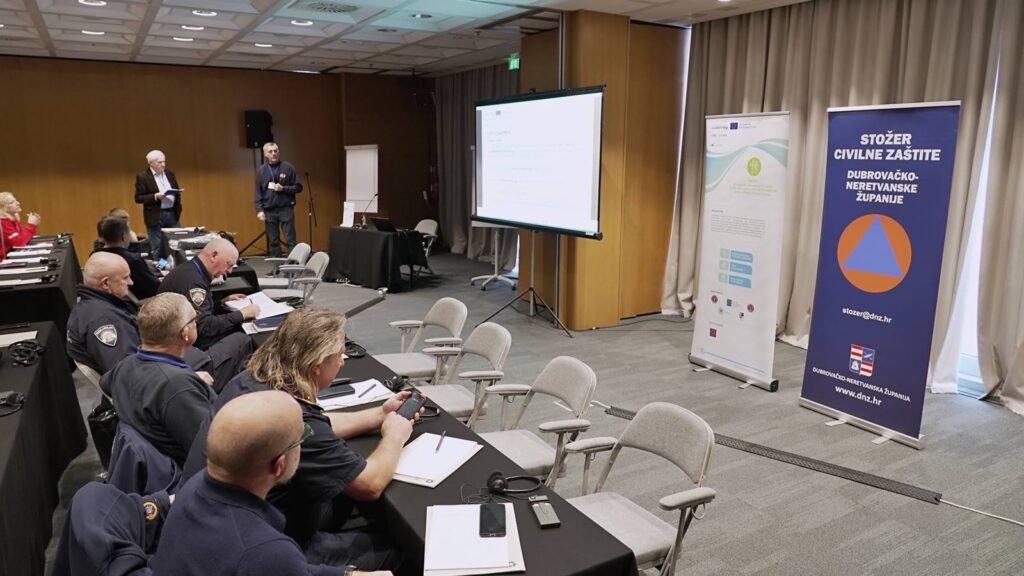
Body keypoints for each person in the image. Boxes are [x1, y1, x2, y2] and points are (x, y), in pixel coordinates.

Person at [183, 309, 413, 571]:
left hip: (218, 526)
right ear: (316, 367)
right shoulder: (296, 416)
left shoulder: (252, 380)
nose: (343, 361)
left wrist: (378, 415)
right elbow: (369, 485)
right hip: (271, 549)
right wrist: (395, 435)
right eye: (339, 354)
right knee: (395, 548)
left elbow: (308, 427)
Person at [154, 391, 391, 576]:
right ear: (279, 465)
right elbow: (274, 562)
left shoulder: (194, 487)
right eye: (302, 437)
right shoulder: (264, 550)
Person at [67, 252, 249, 388]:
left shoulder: (94, 305)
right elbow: (129, 376)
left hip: (168, 360)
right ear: (106, 283)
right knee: (241, 340)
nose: (131, 283)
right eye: (125, 278)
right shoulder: (103, 321)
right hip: (176, 373)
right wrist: (187, 378)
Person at [101, 292, 216, 467]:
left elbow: (105, 384)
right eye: (195, 319)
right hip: (188, 470)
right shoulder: (177, 387)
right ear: (185, 333)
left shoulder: (125, 364)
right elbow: (212, 450)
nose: (196, 323)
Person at [158, 237, 259, 352]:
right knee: (244, 337)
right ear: (213, 256)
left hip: (175, 335)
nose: (230, 271)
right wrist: (242, 314)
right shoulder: (193, 282)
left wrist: (222, 303)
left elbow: (197, 310)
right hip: (183, 346)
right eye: (229, 264)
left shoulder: (190, 269)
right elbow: (203, 327)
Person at [254, 142, 303, 257]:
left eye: (276, 151)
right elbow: (258, 192)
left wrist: (284, 188)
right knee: (273, 241)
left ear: (279, 152)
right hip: (269, 210)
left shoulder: (288, 168)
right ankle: (277, 266)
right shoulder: (262, 171)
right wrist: (259, 210)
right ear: (265, 154)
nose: (274, 153)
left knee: (290, 239)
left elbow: (298, 187)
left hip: (285, 208)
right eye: (270, 152)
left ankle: (293, 265)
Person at [95, 216, 162, 299]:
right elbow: (155, 288)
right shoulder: (132, 260)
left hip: (104, 301)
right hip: (139, 302)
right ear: (123, 236)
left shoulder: (95, 256)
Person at [134, 150, 183, 255]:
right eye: (159, 162)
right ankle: (161, 266)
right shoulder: (143, 177)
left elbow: (176, 191)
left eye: (164, 161)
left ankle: (177, 265)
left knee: (178, 244)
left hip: (172, 213)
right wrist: (155, 196)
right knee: (157, 247)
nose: (163, 164)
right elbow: (138, 198)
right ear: (151, 163)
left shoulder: (170, 174)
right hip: (155, 215)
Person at [0, 191, 41, 257]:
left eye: (16, 200)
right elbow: (19, 242)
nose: (18, 203)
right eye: (12, 202)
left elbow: (22, 237)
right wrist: (31, 225)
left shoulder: (12, 218)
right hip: (4, 259)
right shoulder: (2, 223)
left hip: (12, 254)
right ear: (2, 208)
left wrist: (32, 225)